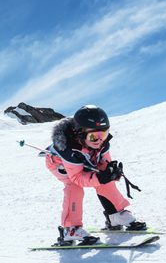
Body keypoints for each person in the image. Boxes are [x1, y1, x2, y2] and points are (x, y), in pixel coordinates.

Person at [45, 104, 146, 245]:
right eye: (93, 136)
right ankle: (70, 229)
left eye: (103, 134)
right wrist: (99, 177)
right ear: (80, 133)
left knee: (106, 176)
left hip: (87, 157)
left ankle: (116, 215)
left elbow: (105, 163)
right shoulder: (67, 148)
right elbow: (78, 178)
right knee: (74, 187)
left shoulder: (101, 143)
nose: (99, 140)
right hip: (61, 164)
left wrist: (112, 172)